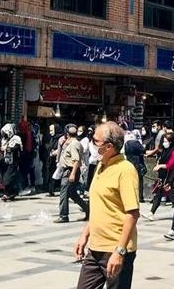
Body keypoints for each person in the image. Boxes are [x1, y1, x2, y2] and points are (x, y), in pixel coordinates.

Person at [74, 122, 140, 289]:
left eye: (95, 140)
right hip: (95, 247)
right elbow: (100, 208)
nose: (92, 143)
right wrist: (84, 235)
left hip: (115, 248)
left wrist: (120, 251)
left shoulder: (125, 170)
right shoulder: (101, 165)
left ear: (109, 146)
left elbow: (132, 213)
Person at [142, 133, 174, 221]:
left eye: (166, 141)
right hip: (162, 176)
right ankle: (151, 213)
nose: (164, 143)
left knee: (172, 196)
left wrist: (160, 166)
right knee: (159, 195)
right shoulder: (165, 151)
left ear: (171, 142)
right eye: (164, 141)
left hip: (169, 177)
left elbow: (171, 165)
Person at [57, 124, 89, 223]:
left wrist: (73, 174)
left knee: (64, 193)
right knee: (72, 193)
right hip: (69, 170)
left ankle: (63, 216)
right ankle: (88, 210)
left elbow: (76, 160)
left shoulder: (74, 144)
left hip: (70, 170)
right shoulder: (74, 143)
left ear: (67, 134)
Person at [0, 123, 22, 202]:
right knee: (4, 178)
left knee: (8, 178)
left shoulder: (16, 139)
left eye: (5, 133)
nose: (4, 135)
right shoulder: (2, 139)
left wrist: (7, 148)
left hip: (12, 162)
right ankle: (11, 193)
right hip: (4, 162)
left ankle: (6, 194)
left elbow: (16, 148)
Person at [123, 130, 147, 203]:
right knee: (139, 181)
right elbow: (143, 150)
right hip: (137, 164)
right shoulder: (136, 143)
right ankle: (140, 197)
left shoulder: (126, 143)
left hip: (129, 163)